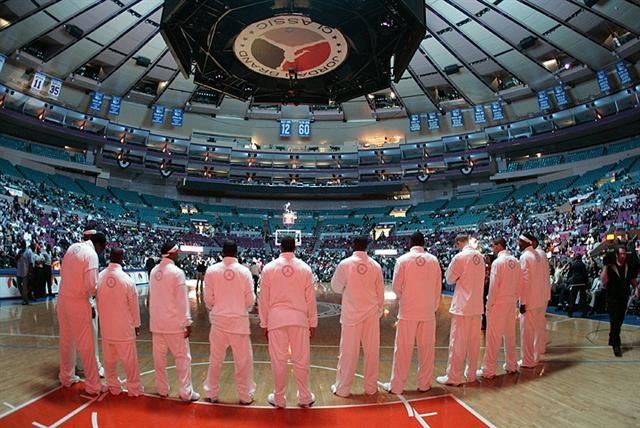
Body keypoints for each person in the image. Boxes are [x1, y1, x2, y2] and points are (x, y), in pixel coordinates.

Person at [259, 235, 317, 408]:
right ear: (295, 247)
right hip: (299, 319)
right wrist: (312, 322)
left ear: (280, 247)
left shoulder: (269, 268)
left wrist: (264, 323)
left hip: (276, 320)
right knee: (301, 359)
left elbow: (264, 299)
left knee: (278, 360)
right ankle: (305, 397)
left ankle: (279, 398)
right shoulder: (305, 268)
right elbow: (310, 299)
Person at [382, 232, 441, 394]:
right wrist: (431, 306)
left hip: (408, 312)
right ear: (424, 243)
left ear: (410, 243)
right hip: (428, 312)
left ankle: (397, 386)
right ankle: (424, 384)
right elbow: (438, 287)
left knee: (402, 350)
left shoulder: (403, 260)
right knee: (427, 350)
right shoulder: (433, 260)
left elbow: (396, 287)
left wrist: (406, 297)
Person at [202, 240, 256, 404]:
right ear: (237, 253)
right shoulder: (244, 272)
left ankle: (211, 393)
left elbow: (208, 299)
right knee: (243, 362)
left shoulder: (211, 271)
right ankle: (245, 396)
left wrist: (216, 308)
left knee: (215, 360)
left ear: (222, 253)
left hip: (219, 322)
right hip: (239, 322)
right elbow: (250, 299)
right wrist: (241, 309)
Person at [330, 235, 384, 397]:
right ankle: (371, 387)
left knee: (348, 352)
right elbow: (380, 294)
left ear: (353, 245)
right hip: (371, 313)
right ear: (367, 246)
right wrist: (378, 311)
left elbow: (336, 287)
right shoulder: (375, 266)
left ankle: (343, 388)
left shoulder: (345, 264)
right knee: (372, 351)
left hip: (351, 314)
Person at [57, 228, 107, 395]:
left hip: (62, 299)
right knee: (86, 344)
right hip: (78, 302)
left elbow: (62, 272)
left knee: (66, 341)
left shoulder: (72, 247)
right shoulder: (91, 255)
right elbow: (91, 286)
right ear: (99, 245)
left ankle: (66, 377)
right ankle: (93, 384)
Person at [149, 242, 199, 401]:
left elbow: (151, 298)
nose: (179, 254)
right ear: (172, 253)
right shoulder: (177, 273)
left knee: (159, 359)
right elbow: (182, 301)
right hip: (174, 325)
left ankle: (162, 389)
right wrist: (187, 322)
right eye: (177, 251)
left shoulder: (153, 272)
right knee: (183, 358)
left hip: (157, 324)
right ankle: (186, 392)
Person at [436, 234, 485, 386]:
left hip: (462, 306)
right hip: (477, 306)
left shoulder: (460, 257)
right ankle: (471, 374)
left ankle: (454, 376)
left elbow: (449, 279)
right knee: (474, 343)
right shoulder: (480, 257)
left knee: (457, 343)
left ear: (459, 243)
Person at [96, 248, 143, 396]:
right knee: (130, 362)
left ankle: (113, 387)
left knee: (109, 361)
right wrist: (136, 324)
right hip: (124, 329)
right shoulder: (127, 280)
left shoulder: (100, 277)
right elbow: (134, 306)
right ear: (122, 258)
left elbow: (96, 300)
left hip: (106, 328)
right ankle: (134, 389)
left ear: (109, 257)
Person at [477, 237, 521, 378]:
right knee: (510, 336)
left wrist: (489, 306)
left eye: (493, 246)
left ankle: (488, 370)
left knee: (493, 337)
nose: (492, 249)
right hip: (511, 302)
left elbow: (494, 286)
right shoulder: (516, 261)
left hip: (499, 303)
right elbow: (520, 283)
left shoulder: (498, 263)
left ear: (499, 246)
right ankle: (511, 364)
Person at [517, 232, 548, 368]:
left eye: (520, 242)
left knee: (527, 333)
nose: (518, 244)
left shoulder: (525, 257)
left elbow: (524, 282)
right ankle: (536, 356)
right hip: (540, 299)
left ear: (525, 242)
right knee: (537, 329)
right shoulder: (539, 255)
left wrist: (522, 302)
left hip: (529, 301)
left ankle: (527, 360)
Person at [600, 246, 637, 357]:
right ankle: (616, 345)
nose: (623, 256)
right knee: (614, 321)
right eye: (621, 254)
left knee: (619, 321)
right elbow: (604, 280)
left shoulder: (627, 266)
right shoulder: (611, 266)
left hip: (623, 297)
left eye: (625, 254)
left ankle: (612, 337)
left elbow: (632, 280)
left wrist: (637, 289)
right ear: (617, 255)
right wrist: (606, 266)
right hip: (612, 298)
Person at [566, 251, 589, 318]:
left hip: (575, 282)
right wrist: (586, 282)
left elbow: (570, 274)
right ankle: (584, 313)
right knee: (583, 298)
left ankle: (570, 312)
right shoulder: (583, 264)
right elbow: (585, 274)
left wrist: (570, 281)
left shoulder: (573, 264)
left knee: (573, 298)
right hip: (582, 283)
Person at [15, 240, 33, 305]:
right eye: (21, 244)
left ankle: (25, 300)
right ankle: (25, 298)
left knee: (25, 287)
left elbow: (31, 263)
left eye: (23, 244)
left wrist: (30, 272)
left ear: (25, 244)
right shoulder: (19, 251)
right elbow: (15, 259)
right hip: (19, 271)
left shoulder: (28, 252)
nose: (22, 245)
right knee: (19, 286)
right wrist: (18, 256)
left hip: (25, 272)